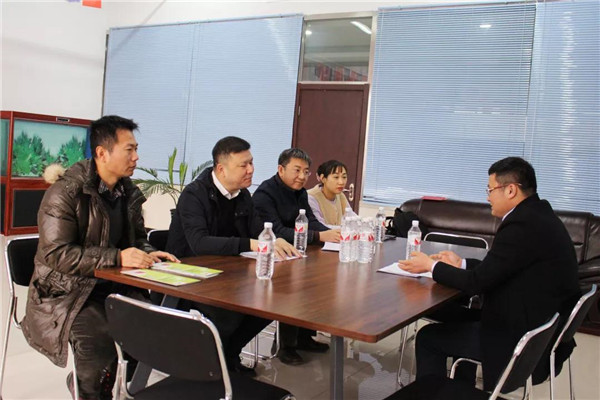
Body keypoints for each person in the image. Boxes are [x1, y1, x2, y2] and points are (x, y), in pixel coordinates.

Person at [22, 115, 179, 400]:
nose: (136, 156)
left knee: (154, 329)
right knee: (98, 341)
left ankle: (109, 384)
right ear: (102, 153)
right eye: (129, 149)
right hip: (67, 291)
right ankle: (89, 391)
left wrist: (147, 252)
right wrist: (117, 257)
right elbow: (56, 254)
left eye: (136, 149)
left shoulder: (128, 192)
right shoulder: (65, 193)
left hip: (113, 285)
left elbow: (136, 238)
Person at [398, 156, 581, 391]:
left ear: (511, 190)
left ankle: (442, 394)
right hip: (532, 325)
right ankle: (462, 389)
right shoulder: (538, 215)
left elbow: (477, 284)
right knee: (448, 312)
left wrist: (430, 266)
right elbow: (499, 268)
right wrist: (461, 263)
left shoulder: (521, 225)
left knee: (428, 338)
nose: (487, 197)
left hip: (517, 337)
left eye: (490, 190)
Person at [166, 136, 300, 376]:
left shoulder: (242, 194)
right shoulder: (195, 194)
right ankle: (215, 365)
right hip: (190, 273)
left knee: (270, 305)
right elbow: (199, 243)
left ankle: (227, 356)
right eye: (243, 165)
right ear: (221, 169)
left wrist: (273, 239)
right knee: (229, 314)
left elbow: (257, 229)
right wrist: (251, 243)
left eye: (251, 163)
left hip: (227, 272)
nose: (251, 170)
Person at [253, 148, 341, 365]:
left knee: (316, 281)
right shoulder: (265, 194)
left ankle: (303, 337)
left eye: (306, 171)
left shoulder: (300, 192)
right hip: (270, 256)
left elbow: (310, 220)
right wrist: (319, 236)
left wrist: (332, 235)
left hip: (295, 252)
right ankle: (286, 346)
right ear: (281, 169)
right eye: (297, 170)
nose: (302, 176)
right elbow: (275, 230)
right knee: (291, 290)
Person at [307, 159, 351, 227]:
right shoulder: (311, 197)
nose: (341, 182)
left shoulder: (340, 195)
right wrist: (344, 229)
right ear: (323, 178)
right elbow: (319, 226)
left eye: (344, 177)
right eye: (336, 177)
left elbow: (351, 217)